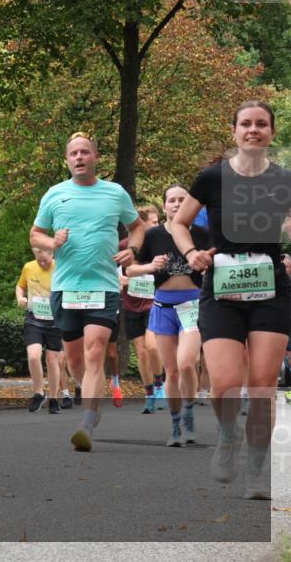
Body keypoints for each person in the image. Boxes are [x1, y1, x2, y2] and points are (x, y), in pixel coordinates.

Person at [171, 100, 291, 500]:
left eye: (261, 124)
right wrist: (191, 254)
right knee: (224, 384)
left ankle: (256, 475)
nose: (253, 130)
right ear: (235, 131)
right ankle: (228, 436)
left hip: (271, 287)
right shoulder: (212, 177)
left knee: (261, 385)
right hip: (221, 285)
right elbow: (180, 222)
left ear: (271, 133)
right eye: (246, 124)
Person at [30, 131, 145, 452]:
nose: (79, 157)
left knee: (95, 352)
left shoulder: (115, 193)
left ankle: (87, 419)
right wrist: (51, 242)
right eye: (73, 154)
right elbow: (35, 234)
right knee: (74, 359)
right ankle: (91, 395)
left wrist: (133, 249)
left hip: (103, 286)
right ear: (67, 160)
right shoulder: (54, 194)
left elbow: (138, 227)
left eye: (85, 152)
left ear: (96, 157)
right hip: (65, 287)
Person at [128, 184, 211, 446]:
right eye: (172, 200)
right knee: (171, 371)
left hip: (192, 305)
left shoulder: (200, 234)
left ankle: (188, 413)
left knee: (187, 362)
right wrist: (150, 266)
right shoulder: (152, 236)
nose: (176, 204)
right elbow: (129, 270)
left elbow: (215, 265)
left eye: (182, 200)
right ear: (164, 206)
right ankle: (176, 424)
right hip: (163, 307)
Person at [116, 205, 164, 412]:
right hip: (132, 303)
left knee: (153, 347)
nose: (158, 225)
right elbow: (114, 270)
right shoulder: (125, 245)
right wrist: (119, 279)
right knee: (142, 352)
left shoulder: (160, 243)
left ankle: (161, 384)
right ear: (141, 224)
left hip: (154, 302)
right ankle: (150, 393)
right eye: (154, 222)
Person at [16, 247, 63, 414]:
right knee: (34, 356)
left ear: (52, 254)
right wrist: (20, 297)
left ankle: (54, 399)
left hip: (55, 322)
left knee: (52, 361)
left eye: (46, 260)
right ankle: (38, 393)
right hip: (34, 319)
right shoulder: (29, 267)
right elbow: (20, 286)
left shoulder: (61, 267)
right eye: (39, 259)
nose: (42, 263)